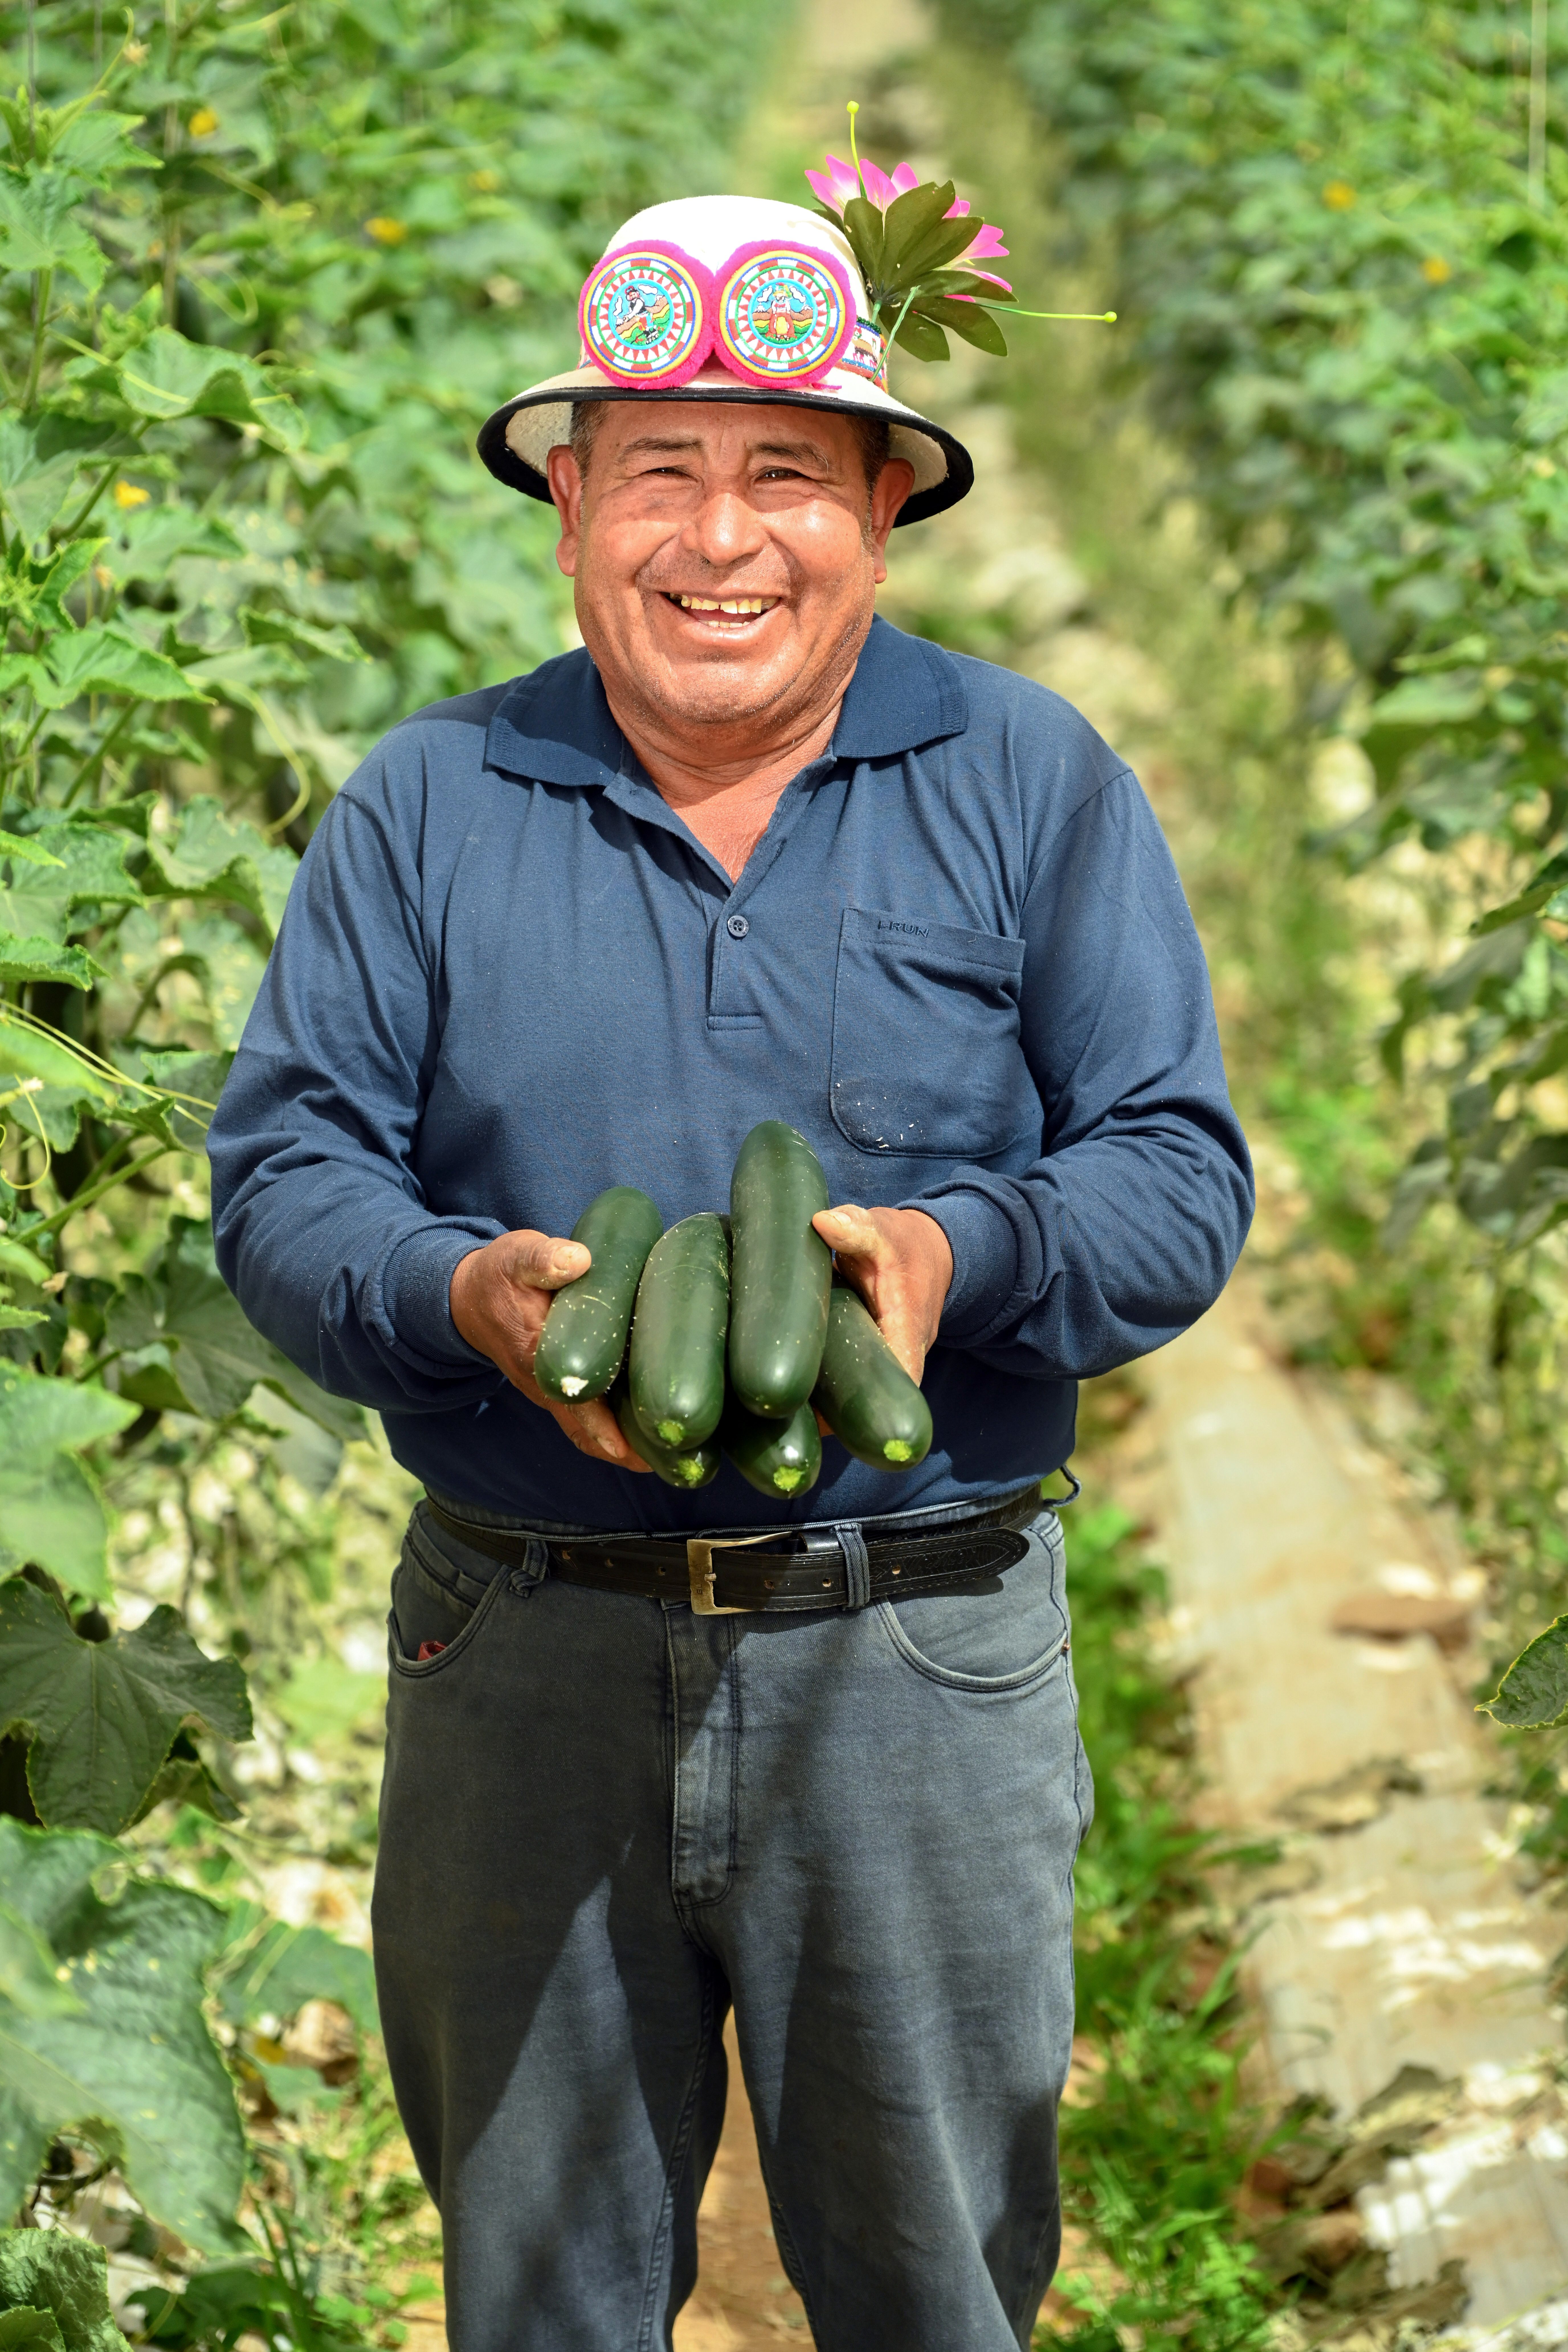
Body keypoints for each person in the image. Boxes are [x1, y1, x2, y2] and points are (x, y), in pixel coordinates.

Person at [208, 185, 1253, 2352]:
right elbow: (289, 1175)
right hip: (519, 1649)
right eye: (659, 474)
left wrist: (962, 1255)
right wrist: (466, 1299)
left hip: (921, 1647)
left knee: (932, 2279)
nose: (721, 538)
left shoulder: (1035, 782)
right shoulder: (426, 802)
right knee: (539, 2288)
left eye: (785, 472)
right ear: (568, 504)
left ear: (886, 509)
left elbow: (1175, 1179)